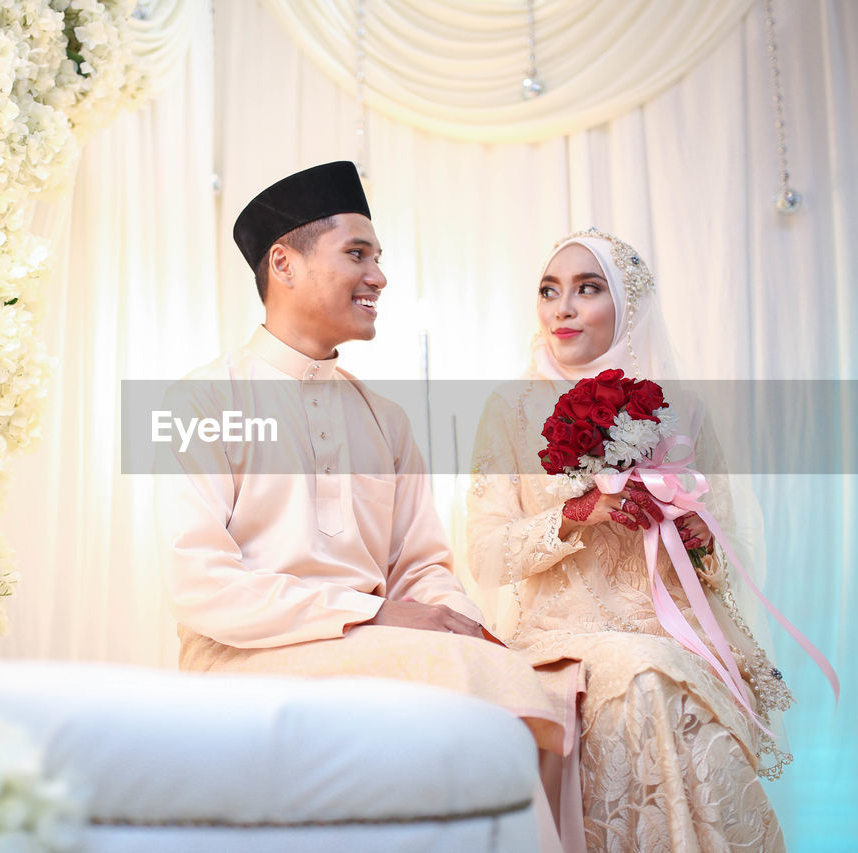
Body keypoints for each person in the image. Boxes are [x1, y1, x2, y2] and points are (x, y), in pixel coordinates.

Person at [156, 162, 575, 846]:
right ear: (284, 264)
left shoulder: (384, 419)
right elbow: (199, 584)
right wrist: (376, 613)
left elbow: (424, 567)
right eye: (357, 254)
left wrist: (462, 620)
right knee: (461, 672)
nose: (378, 276)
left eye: (379, 257)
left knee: (514, 670)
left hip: (377, 644)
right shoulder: (204, 401)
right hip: (242, 653)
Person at [466, 228, 794, 851]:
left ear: (628, 306)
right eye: (549, 290)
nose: (562, 308)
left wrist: (694, 535)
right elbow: (484, 552)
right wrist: (576, 513)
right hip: (560, 634)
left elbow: (719, 557)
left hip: (670, 634)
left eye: (587, 289)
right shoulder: (508, 408)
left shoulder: (681, 408)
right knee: (646, 679)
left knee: (659, 677)